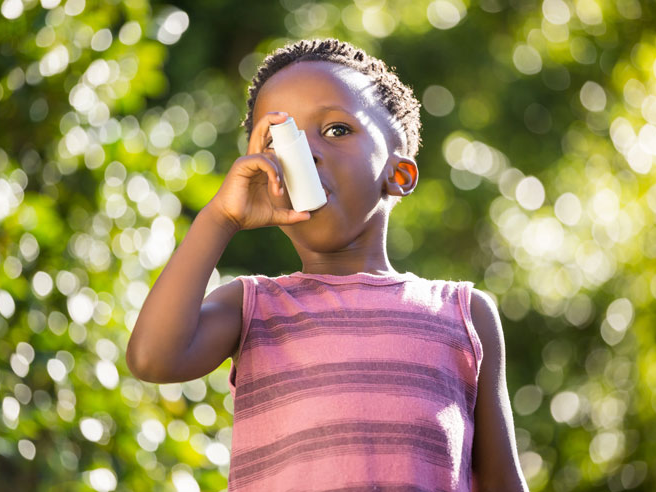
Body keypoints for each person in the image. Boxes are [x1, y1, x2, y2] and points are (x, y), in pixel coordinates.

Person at [126, 38, 528, 492]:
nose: (307, 153)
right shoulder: (252, 307)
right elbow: (152, 359)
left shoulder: (463, 314)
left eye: (336, 130)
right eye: (281, 139)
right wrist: (220, 218)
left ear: (399, 175)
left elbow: (502, 482)